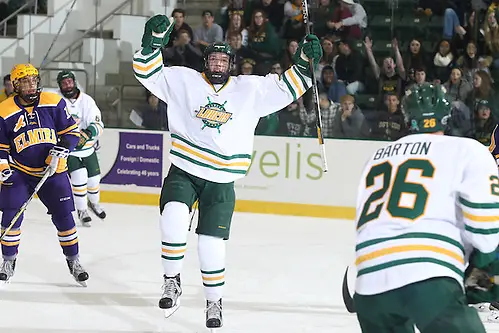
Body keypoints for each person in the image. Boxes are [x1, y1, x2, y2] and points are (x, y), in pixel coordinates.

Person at [132, 14, 322, 329]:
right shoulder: (183, 80)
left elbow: (289, 87)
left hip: (221, 181)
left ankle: (213, 301)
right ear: (205, 61)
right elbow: (147, 72)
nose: (218, 64)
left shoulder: (251, 89)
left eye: (224, 60)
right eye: (213, 59)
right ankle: (171, 280)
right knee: (174, 218)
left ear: (231, 63)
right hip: (184, 170)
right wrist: (151, 43)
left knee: (210, 245)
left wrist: (303, 61)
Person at [353, 82, 498, 333]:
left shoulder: (377, 156)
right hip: (430, 279)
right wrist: (480, 266)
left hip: (368, 285)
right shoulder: (468, 149)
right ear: (446, 115)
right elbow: (486, 235)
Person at [0, 64, 89, 286]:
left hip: (53, 171)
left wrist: (62, 150)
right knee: (11, 215)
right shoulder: (4, 111)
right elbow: (1, 147)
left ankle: (74, 260)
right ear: (15, 85)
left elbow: (71, 133)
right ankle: (8, 261)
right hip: (20, 171)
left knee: (64, 217)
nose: (31, 85)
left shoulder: (53, 101)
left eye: (33, 80)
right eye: (25, 81)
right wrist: (2, 166)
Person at [56, 70, 106, 227]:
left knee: (93, 181)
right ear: (60, 86)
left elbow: (98, 123)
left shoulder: (87, 101)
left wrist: (88, 132)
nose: (68, 85)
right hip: (70, 151)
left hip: (88, 149)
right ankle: (82, 210)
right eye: (64, 83)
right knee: (79, 178)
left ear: (74, 82)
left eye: (70, 82)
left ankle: (94, 203)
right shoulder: (57, 101)